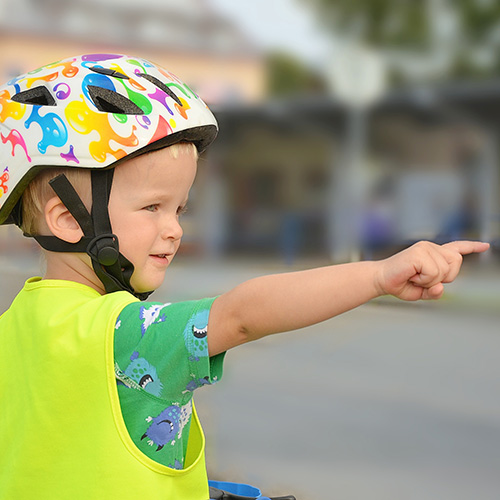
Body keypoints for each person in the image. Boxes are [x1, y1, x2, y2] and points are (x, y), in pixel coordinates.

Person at [0, 54, 489, 500]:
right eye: (152, 207)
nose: (174, 229)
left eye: (179, 208)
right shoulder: (125, 334)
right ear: (67, 218)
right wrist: (380, 276)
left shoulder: (12, 330)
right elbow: (243, 314)